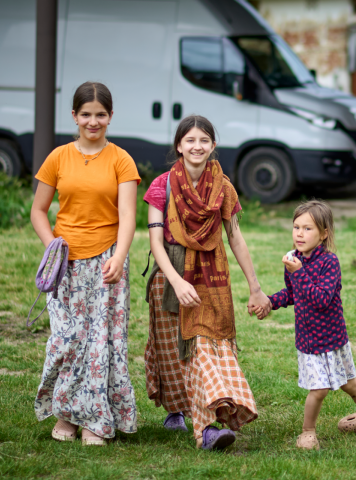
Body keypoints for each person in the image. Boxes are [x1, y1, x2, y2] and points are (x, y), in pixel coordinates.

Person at [143, 114, 271, 450]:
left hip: (210, 277)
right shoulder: (161, 186)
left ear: (213, 146)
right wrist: (177, 282)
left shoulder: (223, 188)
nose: (196, 146)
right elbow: (155, 242)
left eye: (203, 140)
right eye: (190, 140)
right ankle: (176, 409)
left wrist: (255, 287)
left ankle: (208, 428)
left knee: (202, 345)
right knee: (172, 349)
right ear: (179, 146)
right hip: (170, 274)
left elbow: (235, 237)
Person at [30, 82, 141, 446]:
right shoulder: (58, 157)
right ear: (74, 116)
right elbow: (38, 211)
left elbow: (128, 216)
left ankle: (95, 420)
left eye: (101, 115)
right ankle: (66, 414)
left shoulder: (121, 160)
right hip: (66, 266)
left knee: (101, 343)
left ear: (110, 116)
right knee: (68, 339)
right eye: (86, 114)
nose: (93, 122)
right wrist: (53, 247)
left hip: (107, 261)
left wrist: (119, 257)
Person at [255, 200, 356, 450]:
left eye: (308, 228)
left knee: (349, 383)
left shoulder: (329, 262)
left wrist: (298, 272)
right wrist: (270, 302)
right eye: (296, 227)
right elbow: (294, 293)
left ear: (323, 234)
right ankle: (308, 431)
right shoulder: (294, 260)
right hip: (309, 341)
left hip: (333, 338)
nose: (300, 234)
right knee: (319, 389)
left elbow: (321, 299)